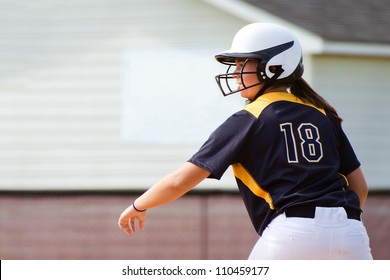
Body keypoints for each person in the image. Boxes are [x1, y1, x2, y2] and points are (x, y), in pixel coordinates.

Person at [118, 22, 372, 259]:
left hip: (292, 232)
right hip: (351, 231)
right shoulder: (323, 115)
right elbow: (359, 187)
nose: (236, 73)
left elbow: (179, 181)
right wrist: (337, 224)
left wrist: (138, 206)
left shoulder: (249, 118)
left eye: (243, 64)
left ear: (274, 66)